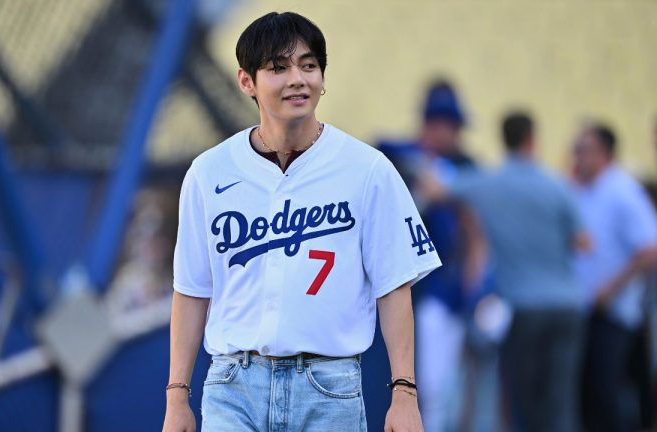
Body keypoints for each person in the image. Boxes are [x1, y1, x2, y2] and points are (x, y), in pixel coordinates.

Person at [162, 12, 441, 432]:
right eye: (278, 67)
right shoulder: (208, 172)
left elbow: (394, 285)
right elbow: (191, 290)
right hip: (233, 384)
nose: (297, 78)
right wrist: (176, 397)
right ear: (246, 81)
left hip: (329, 385)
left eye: (308, 66)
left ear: (323, 79)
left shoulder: (368, 169)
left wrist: (404, 393)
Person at [455, 112, 588, 431]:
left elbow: (440, 188)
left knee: (523, 401)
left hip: (523, 307)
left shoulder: (488, 184)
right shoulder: (557, 185)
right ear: (532, 138)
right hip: (567, 305)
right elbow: (583, 241)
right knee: (560, 401)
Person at [379, 80, 489, 432]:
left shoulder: (463, 168)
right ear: (437, 124)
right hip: (393, 287)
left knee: (438, 391)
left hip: (441, 291)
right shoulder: (392, 154)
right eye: (453, 127)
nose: (457, 136)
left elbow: (475, 233)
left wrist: (472, 289)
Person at [572, 123, 657, 432]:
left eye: (584, 149)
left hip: (615, 311)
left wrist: (612, 287)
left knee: (608, 391)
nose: (577, 156)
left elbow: (649, 248)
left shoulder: (623, 191)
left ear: (604, 153)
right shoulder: (581, 189)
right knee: (588, 393)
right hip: (587, 308)